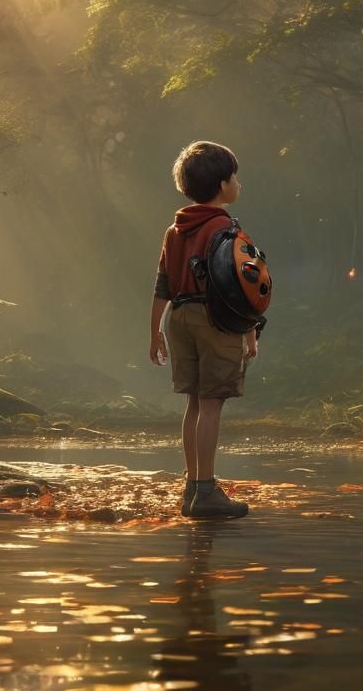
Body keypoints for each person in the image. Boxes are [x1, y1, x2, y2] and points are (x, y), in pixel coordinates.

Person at [149, 141, 258, 519]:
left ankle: (191, 488)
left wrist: (155, 331)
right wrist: (249, 332)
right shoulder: (225, 229)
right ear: (222, 185)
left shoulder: (173, 230)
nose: (238, 184)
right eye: (235, 178)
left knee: (194, 402)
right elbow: (237, 287)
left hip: (178, 318)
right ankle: (207, 492)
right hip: (214, 319)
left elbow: (162, 283)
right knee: (212, 405)